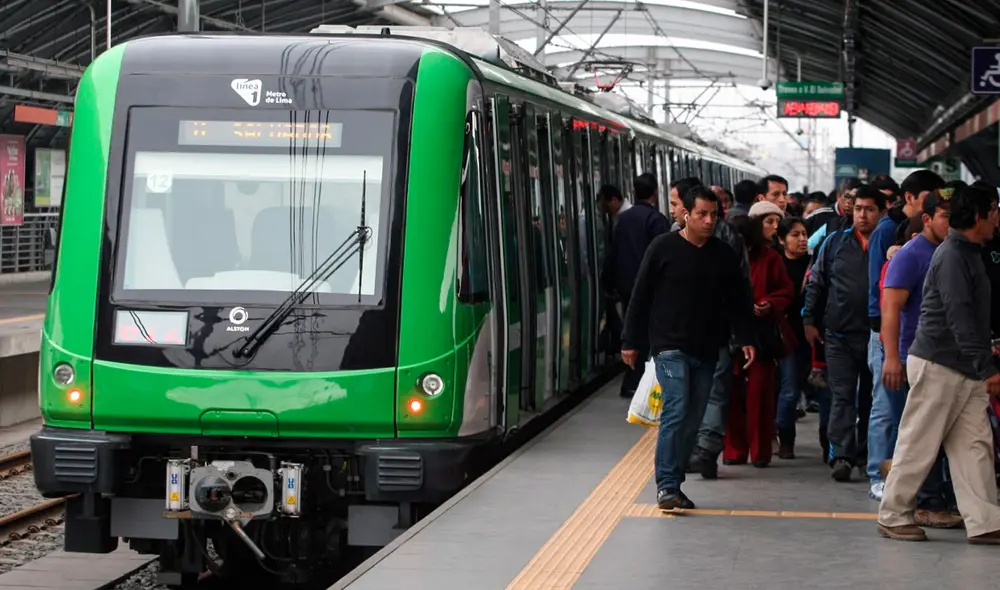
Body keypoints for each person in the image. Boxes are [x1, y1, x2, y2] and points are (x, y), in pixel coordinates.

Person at [878, 184, 1000, 544]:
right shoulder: (952, 257)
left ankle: (985, 520)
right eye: (993, 209)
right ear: (977, 216)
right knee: (918, 443)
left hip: (964, 368)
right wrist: (988, 367)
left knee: (974, 447)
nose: (997, 216)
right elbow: (959, 316)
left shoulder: (971, 252)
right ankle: (893, 514)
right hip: (939, 365)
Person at [622, 185, 755, 511]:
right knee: (677, 408)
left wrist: (746, 337)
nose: (709, 221)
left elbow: (739, 300)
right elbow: (640, 295)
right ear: (685, 215)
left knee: (693, 419)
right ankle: (666, 485)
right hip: (669, 345)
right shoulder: (663, 247)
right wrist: (630, 341)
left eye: (714, 215)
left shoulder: (723, 254)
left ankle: (675, 482)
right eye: (702, 214)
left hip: (709, 347)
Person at [877, 194, 962, 527]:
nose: (950, 224)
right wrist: (892, 358)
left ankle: (907, 474)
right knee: (925, 436)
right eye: (943, 217)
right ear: (926, 219)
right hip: (918, 355)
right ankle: (926, 502)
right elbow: (890, 309)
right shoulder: (910, 256)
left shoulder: (949, 253)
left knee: (934, 434)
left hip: (946, 358)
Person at [866, 170, 945, 498]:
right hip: (893, 343)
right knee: (890, 410)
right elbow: (888, 303)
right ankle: (880, 475)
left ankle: (904, 481)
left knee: (909, 421)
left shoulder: (941, 251)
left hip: (918, 351)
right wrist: (891, 353)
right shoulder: (904, 247)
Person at [671, 181, 753, 480]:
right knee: (714, 393)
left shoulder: (672, 239)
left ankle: (691, 451)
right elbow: (743, 288)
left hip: (690, 332)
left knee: (685, 395)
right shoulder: (731, 236)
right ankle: (705, 449)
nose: (673, 210)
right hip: (717, 331)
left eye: (675, 204)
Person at [803, 184, 885, 481]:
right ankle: (842, 455)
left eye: (870, 209)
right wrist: (809, 320)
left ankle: (866, 454)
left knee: (872, 399)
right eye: (859, 208)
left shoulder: (887, 244)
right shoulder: (835, 242)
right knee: (842, 397)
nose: (862, 215)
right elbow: (817, 282)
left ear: (881, 212)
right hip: (838, 335)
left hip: (876, 337)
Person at [723, 202, 795, 467]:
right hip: (730, 335)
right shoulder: (722, 258)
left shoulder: (770, 258)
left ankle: (760, 451)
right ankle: (734, 450)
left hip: (762, 336)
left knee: (759, 397)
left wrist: (768, 304)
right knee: (732, 396)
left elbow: (786, 291)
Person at [601, 174, 669, 398]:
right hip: (650, 286)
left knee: (635, 331)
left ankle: (632, 380)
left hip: (627, 285)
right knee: (647, 335)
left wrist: (608, 282)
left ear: (633, 191)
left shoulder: (623, 219)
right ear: (655, 193)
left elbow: (613, 252)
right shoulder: (657, 220)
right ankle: (638, 383)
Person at [776, 217, 815, 458]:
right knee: (789, 390)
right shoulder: (776, 264)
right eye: (794, 235)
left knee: (816, 388)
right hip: (786, 336)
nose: (802, 239)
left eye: (804, 234)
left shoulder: (814, 264)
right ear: (781, 240)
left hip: (811, 334)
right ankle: (786, 438)